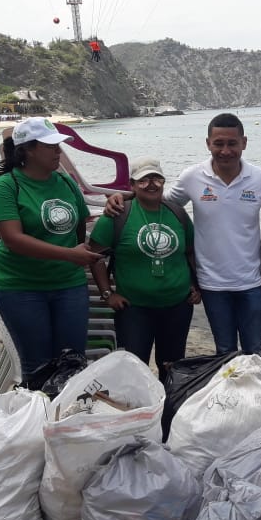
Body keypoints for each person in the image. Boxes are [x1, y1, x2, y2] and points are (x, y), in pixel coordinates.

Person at [104, 113, 261, 356]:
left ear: (244, 143)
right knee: (225, 351)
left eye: (232, 143)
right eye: (218, 143)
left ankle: (255, 395)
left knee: (255, 350)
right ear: (208, 143)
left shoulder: (259, 179)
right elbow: (158, 201)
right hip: (211, 284)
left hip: (252, 282)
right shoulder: (192, 177)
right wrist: (124, 196)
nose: (225, 150)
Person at [0, 117, 102, 384]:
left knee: (72, 364)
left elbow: (78, 229)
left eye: (59, 146)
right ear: (27, 149)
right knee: (38, 368)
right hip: (21, 289)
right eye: (50, 146)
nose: (58, 151)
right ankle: (38, 422)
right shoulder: (7, 186)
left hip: (68, 286)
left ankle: (64, 422)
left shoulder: (66, 183)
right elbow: (13, 239)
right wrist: (68, 255)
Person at [88, 157, 201, 380]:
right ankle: (138, 411)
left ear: (163, 182)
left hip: (177, 306)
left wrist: (196, 284)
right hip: (134, 308)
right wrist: (107, 293)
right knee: (134, 368)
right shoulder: (117, 215)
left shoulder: (178, 213)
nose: (151, 184)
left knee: (172, 367)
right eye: (143, 180)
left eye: (156, 179)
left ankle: (168, 411)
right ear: (132, 185)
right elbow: (95, 256)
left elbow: (190, 252)